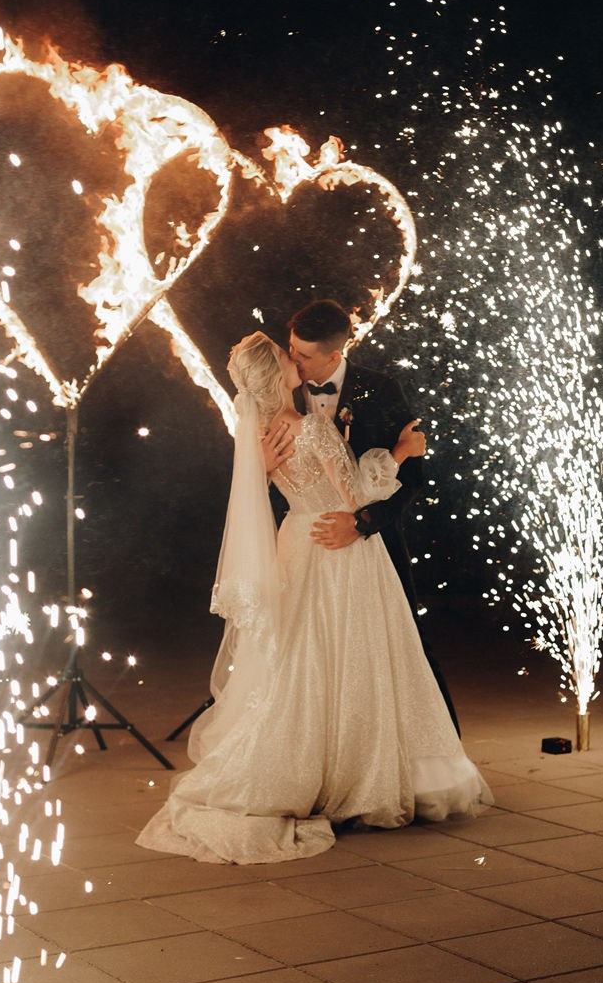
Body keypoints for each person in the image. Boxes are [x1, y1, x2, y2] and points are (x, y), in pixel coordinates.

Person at [137, 331, 490, 864]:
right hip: (340, 551)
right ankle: (361, 777)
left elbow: (261, 493)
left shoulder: (259, 436)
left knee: (301, 659)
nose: (294, 361)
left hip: (297, 545)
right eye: (287, 357)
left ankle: (306, 765)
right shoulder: (312, 428)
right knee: (359, 657)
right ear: (277, 373)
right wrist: (401, 451)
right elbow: (357, 495)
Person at [266, 298, 460, 733]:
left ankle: (438, 745)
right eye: (291, 348)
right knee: (308, 648)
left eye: (303, 354)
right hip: (304, 545)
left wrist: (362, 524)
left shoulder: (381, 388)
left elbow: (413, 478)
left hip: (374, 540)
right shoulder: (279, 389)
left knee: (402, 639)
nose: (292, 359)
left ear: (335, 354)